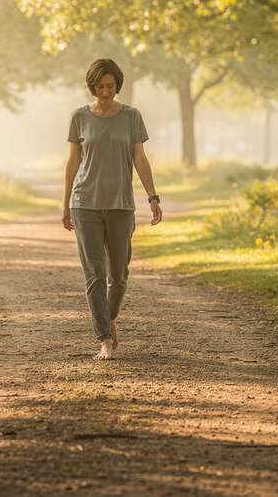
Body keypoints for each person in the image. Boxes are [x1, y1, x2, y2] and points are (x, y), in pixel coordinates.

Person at [63, 58, 162, 361]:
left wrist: (153, 197)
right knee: (95, 274)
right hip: (85, 204)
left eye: (110, 86)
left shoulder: (132, 117)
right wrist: (66, 203)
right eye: (100, 87)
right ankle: (104, 338)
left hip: (120, 205)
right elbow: (73, 162)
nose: (105, 92)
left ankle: (109, 316)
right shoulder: (80, 117)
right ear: (91, 86)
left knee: (118, 276)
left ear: (117, 85)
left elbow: (140, 159)